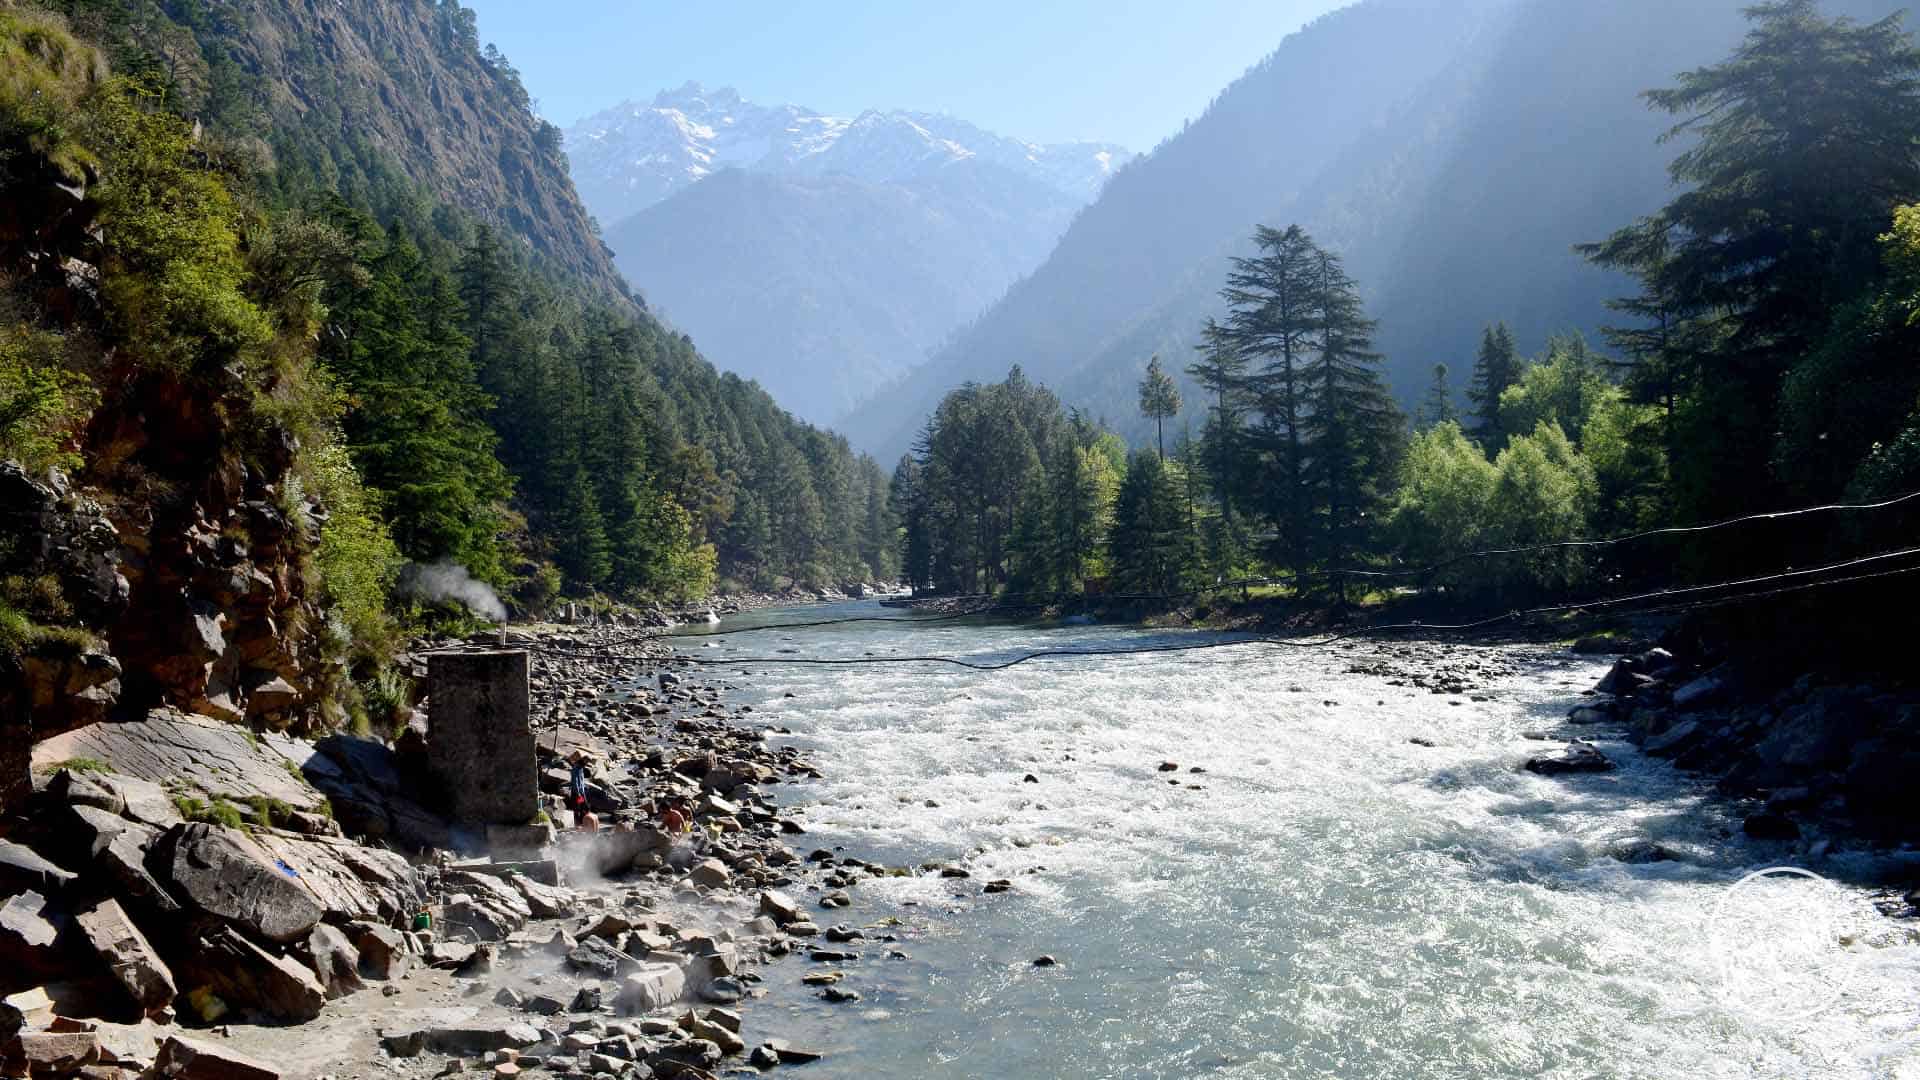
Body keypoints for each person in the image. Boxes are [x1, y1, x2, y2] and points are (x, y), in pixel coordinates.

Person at [567, 750, 592, 828]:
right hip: (576, 792)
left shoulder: (581, 767)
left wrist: (583, 790)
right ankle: (577, 825)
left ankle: (582, 822)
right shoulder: (576, 767)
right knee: (577, 808)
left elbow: (581, 780)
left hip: (581, 792)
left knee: (584, 806)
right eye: (586, 761)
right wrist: (578, 792)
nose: (587, 763)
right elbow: (575, 781)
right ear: (584, 760)